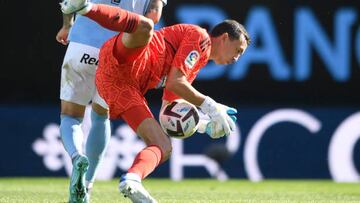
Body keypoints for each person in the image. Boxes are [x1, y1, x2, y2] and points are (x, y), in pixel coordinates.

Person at [60, 0, 250, 202]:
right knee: (145, 27)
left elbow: (167, 113)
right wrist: (211, 107)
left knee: (164, 146)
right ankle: (84, 7)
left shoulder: (195, 66)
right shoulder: (200, 37)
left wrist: (203, 125)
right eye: (238, 50)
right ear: (224, 38)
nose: (237, 58)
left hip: (122, 86)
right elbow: (176, 84)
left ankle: (132, 179)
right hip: (129, 58)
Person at [55, 0, 166, 203]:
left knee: (70, 116)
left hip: (81, 44)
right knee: (100, 117)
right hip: (116, 51)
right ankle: (87, 186)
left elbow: (68, 2)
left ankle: (77, 156)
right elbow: (153, 16)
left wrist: (67, 25)